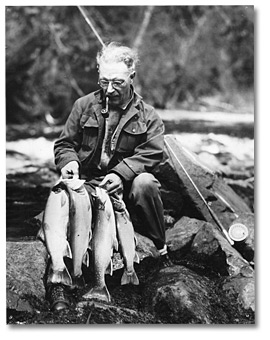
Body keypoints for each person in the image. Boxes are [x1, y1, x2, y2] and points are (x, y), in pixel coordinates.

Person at [43, 42, 172, 311]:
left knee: (146, 183)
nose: (110, 89)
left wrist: (122, 174)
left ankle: (158, 251)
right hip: (89, 185)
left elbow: (154, 153)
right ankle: (61, 284)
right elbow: (64, 144)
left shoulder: (148, 116)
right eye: (104, 81)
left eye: (117, 82)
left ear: (132, 77)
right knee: (60, 196)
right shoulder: (83, 105)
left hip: (125, 187)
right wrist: (69, 163)